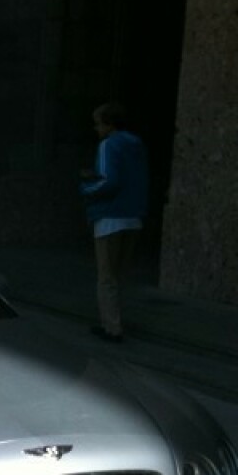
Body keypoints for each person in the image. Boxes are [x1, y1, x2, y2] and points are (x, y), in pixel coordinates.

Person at [80, 101, 149, 343]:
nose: (96, 129)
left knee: (106, 276)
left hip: (110, 217)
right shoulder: (136, 145)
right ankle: (116, 320)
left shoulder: (108, 145)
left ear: (109, 124)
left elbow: (109, 181)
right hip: (132, 217)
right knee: (119, 276)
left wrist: (86, 188)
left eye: (98, 124)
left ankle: (112, 327)